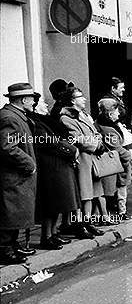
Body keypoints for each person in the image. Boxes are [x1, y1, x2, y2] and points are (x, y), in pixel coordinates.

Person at [28, 93, 77, 250]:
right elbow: (49, 142)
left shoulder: (44, 120)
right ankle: (47, 236)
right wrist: (70, 150)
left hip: (56, 165)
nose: (46, 106)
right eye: (43, 103)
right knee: (50, 205)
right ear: (36, 106)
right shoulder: (36, 122)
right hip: (49, 167)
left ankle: (53, 233)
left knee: (56, 204)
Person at [0, 83, 39, 264]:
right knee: (11, 213)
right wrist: (29, 163)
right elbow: (7, 147)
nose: (33, 102)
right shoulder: (10, 117)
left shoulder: (15, 115)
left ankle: (13, 245)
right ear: (24, 100)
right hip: (13, 176)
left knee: (16, 213)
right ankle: (5, 249)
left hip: (17, 176)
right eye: (31, 99)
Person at [59, 86, 105, 238]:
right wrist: (95, 144)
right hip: (82, 159)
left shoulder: (84, 115)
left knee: (92, 193)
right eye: (80, 96)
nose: (84, 99)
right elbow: (77, 138)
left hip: (92, 159)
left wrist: (98, 141)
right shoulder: (66, 118)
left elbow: (95, 132)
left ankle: (88, 222)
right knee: (83, 194)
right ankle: (80, 225)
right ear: (72, 100)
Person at [94, 98, 132, 222]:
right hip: (114, 165)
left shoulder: (105, 124)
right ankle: (117, 214)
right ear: (110, 114)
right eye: (116, 111)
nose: (119, 114)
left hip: (114, 164)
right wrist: (129, 155)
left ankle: (115, 213)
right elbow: (117, 147)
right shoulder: (108, 129)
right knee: (114, 191)